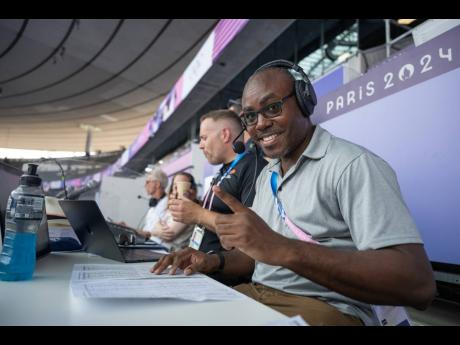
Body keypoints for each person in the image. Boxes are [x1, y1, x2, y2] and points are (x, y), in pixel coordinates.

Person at [151, 61, 436, 325]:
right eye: (251, 116)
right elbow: (258, 258)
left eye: (272, 108)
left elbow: (417, 284)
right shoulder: (267, 175)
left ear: (304, 101)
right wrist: (214, 261)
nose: (260, 123)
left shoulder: (352, 165)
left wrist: (284, 248)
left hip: (325, 307)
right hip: (256, 294)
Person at [168, 109, 267, 258]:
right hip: (204, 262)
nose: (200, 145)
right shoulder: (224, 170)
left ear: (225, 135)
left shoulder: (253, 166)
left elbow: (252, 228)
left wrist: (198, 214)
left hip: (225, 270)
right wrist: (191, 206)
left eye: (204, 138)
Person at [149, 172, 198, 252]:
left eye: (181, 185)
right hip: (156, 247)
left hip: (169, 252)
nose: (176, 188)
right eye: (175, 185)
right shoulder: (171, 204)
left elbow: (168, 236)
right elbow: (157, 223)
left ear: (191, 189)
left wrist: (156, 230)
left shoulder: (190, 209)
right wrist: (157, 229)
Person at [135, 168, 169, 240]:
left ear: (157, 184)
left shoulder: (167, 204)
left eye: (147, 182)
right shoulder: (153, 205)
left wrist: (131, 230)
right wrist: (126, 228)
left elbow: (149, 233)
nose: (145, 185)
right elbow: (146, 231)